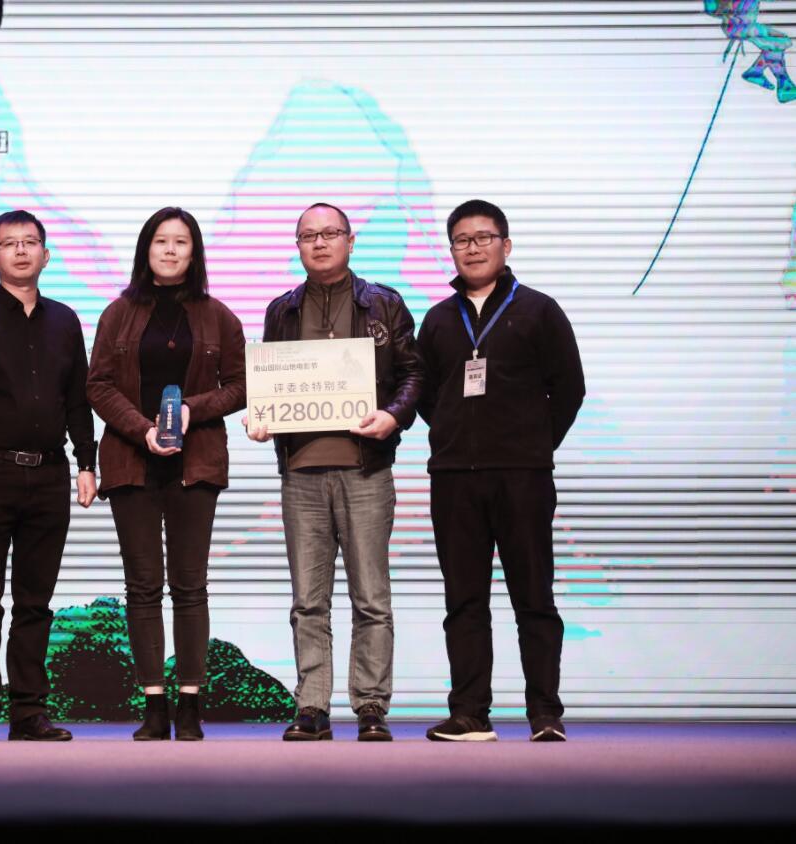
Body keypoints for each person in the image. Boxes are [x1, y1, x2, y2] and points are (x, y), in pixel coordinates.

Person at [246, 203, 423, 742]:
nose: (319, 243)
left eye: (330, 233)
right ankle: (312, 707)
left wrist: (393, 416)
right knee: (308, 600)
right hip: (301, 472)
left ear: (350, 240)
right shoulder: (282, 310)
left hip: (366, 470)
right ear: (298, 246)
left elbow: (413, 374)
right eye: (308, 236)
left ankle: (370, 706)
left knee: (371, 598)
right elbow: (269, 382)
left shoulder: (384, 303)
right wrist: (261, 416)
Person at [416, 199, 585, 742]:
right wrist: (453, 433)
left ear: (505, 245)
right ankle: (469, 713)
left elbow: (570, 388)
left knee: (534, 597)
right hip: (454, 478)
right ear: (451, 250)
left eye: (483, 237)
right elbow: (427, 394)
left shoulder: (538, 310)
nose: (473, 248)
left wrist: (532, 444)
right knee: (464, 601)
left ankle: (545, 713)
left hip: (522, 477)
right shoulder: (438, 319)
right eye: (462, 240)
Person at [86, 208, 246, 741]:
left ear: (195, 252)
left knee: (190, 585)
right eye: (161, 241)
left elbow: (241, 385)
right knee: (142, 586)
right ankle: (154, 704)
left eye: (181, 242)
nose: (171, 250)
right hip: (132, 462)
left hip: (195, 463)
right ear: (145, 250)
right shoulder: (118, 313)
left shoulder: (219, 316)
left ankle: (190, 704)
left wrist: (193, 410)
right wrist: (143, 429)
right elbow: (98, 385)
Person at [0, 209, 97, 742]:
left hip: (49, 475)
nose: (22, 251)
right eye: (10, 243)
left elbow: (77, 399)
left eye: (31, 242)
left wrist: (86, 462)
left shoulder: (65, 321)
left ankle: (29, 711)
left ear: (46, 255)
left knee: (35, 602)